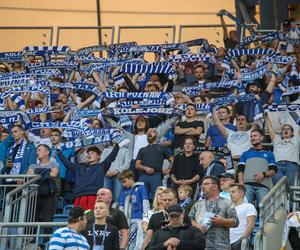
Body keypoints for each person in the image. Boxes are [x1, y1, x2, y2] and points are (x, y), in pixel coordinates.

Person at [56, 139, 129, 210]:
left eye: (92, 153)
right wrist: (59, 152)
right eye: (88, 153)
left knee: (91, 220)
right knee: (78, 221)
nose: (89, 154)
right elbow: (67, 163)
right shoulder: (79, 167)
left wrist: (117, 146)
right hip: (78, 199)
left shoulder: (102, 167)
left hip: (93, 198)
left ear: (98, 157)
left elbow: (111, 157)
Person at [189, 176, 239, 250]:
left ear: (215, 186)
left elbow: (236, 222)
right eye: (202, 184)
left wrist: (222, 221)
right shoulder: (198, 204)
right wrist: (196, 225)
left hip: (220, 245)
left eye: (206, 184)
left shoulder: (227, 203)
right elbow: (189, 219)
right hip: (200, 245)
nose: (202, 186)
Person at [238, 129, 277, 205]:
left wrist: (263, 174)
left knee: (265, 209)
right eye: (251, 136)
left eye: (255, 136)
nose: (252, 138)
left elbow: (273, 170)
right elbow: (240, 170)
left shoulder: (269, 154)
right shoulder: (245, 154)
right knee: (244, 207)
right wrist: (241, 183)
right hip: (247, 185)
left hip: (264, 186)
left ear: (261, 138)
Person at [136, 128, 173, 201]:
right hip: (143, 176)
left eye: (151, 132)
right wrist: (145, 168)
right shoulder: (142, 149)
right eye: (148, 132)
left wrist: (169, 169)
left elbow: (172, 159)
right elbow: (137, 165)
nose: (149, 133)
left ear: (156, 134)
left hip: (156, 175)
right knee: (141, 198)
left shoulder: (162, 148)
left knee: (158, 198)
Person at [27, 144, 59, 226]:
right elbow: (29, 175)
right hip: (33, 195)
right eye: (37, 150)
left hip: (48, 195)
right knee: (31, 221)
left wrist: (37, 172)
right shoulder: (32, 165)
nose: (37, 152)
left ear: (47, 152)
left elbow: (54, 174)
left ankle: (46, 239)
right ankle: (31, 239)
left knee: (47, 221)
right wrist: (47, 172)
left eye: (39, 150)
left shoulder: (54, 164)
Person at [265, 113, 300, 186]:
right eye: (284, 129)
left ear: (292, 132)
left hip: (292, 165)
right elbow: (269, 127)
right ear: (282, 133)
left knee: (291, 189)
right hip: (277, 166)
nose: (285, 130)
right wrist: (265, 114)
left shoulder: (296, 139)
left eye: (288, 129)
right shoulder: (277, 139)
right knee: (278, 189)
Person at [118, 170, 150, 250]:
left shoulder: (141, 188)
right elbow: (121, 208)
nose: (123, 184)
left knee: (134, 242)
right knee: (125, 241)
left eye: (125, 181)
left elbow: (145, 203)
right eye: (122, 182)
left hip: (137, 219)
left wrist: (145, 218)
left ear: (131, 178)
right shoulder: (123, 192)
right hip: (126, 220)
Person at [229, 184, 257, 250]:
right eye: (230, 192)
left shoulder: (249, 206)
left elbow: (251, 224)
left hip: (238, 242)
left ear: (241, 193)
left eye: (233, 192)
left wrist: (242, 239)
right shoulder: (230, 208)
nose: (230, 194)